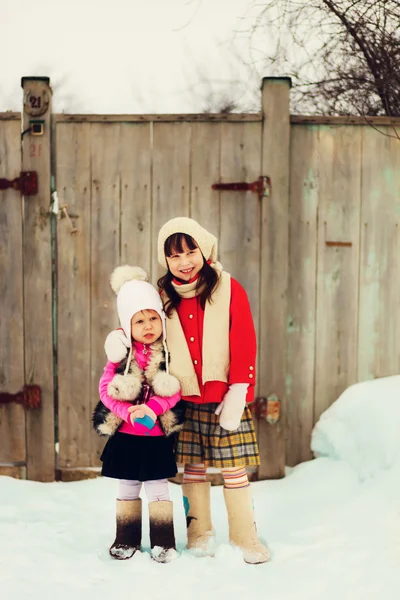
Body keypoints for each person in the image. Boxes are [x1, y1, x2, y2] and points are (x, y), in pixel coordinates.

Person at [105, 218, 270, 564]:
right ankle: (199, 534)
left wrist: (240, 388)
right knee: (193, 468)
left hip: (225, 396)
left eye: (190, 250)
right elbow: (140, 325)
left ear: (204, 248)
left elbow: (243, 339)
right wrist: (118, 340)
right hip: (185, 397)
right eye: (174, 255)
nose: (184, 261)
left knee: (233, 467)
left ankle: (246, 537)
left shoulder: (228, 287)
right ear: (166, 261)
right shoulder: (163, 296)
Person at [93, 265, 184, 563]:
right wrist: (126, 410)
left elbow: (175, 390)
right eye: (139, 320)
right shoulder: (120, 357)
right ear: (126, 326)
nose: (147, 326)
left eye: (153, 318)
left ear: (161, 319)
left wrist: (154, 407)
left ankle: (163, 541)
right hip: (127, 435)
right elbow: (106, 390)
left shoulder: (167, 355)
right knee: (128, 486)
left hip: (156, 435)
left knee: (158, 487)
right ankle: (126, 538)